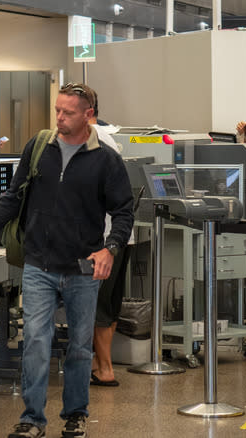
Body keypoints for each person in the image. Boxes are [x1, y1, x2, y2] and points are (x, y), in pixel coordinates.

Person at [0, 83, 133, 438]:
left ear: (89, 115)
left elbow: (124, 210)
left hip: (83, 267)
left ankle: (76, 414)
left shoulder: (106, 159)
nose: (60, 118)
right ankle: (32, 418)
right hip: (39, 264)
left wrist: (109, 248)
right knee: (36, 339)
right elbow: (12, 198)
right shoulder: (40, 147)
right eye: (57, 110)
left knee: (80, 347)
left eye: (68, 112)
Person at [89, 92, 132, 388]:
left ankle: (104, 369)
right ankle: (99, 363)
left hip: (102, 238)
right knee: (111, 302)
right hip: (118, 236)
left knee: (99, 305)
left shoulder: (94, 139)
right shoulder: (109, 135)